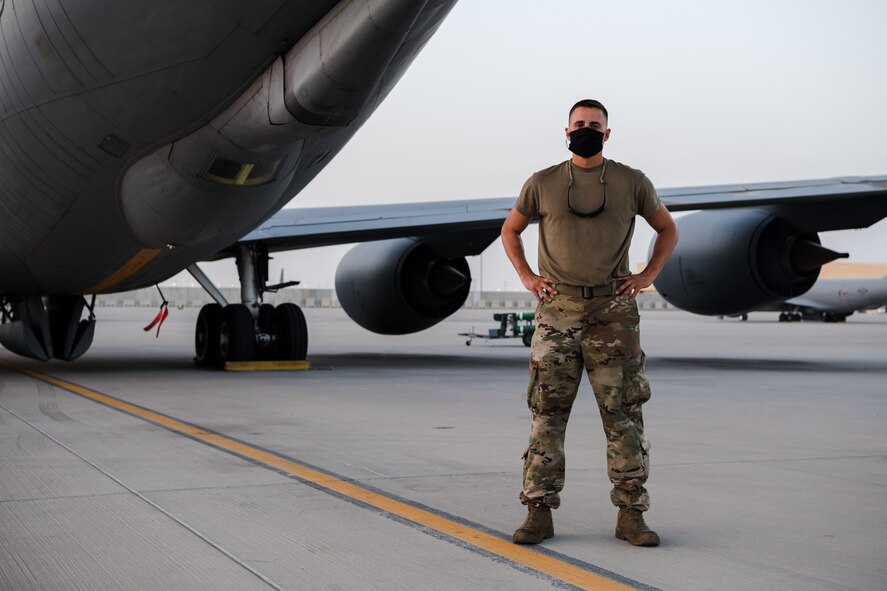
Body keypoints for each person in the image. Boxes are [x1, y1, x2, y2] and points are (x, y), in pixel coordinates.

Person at [501, 99, 678, 547]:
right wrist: (526, 276)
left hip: (613, 315)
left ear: (607, 132)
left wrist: (646, 276)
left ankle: (631, 514)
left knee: (623, 417)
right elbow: (510, 230)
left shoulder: (631, 182)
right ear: (566, 130)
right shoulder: (541, 183)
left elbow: (667, 229)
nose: (586, 130)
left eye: (594, 125)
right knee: (547, 417)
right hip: (556, 310)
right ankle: (538, 512)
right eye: (579, 124)